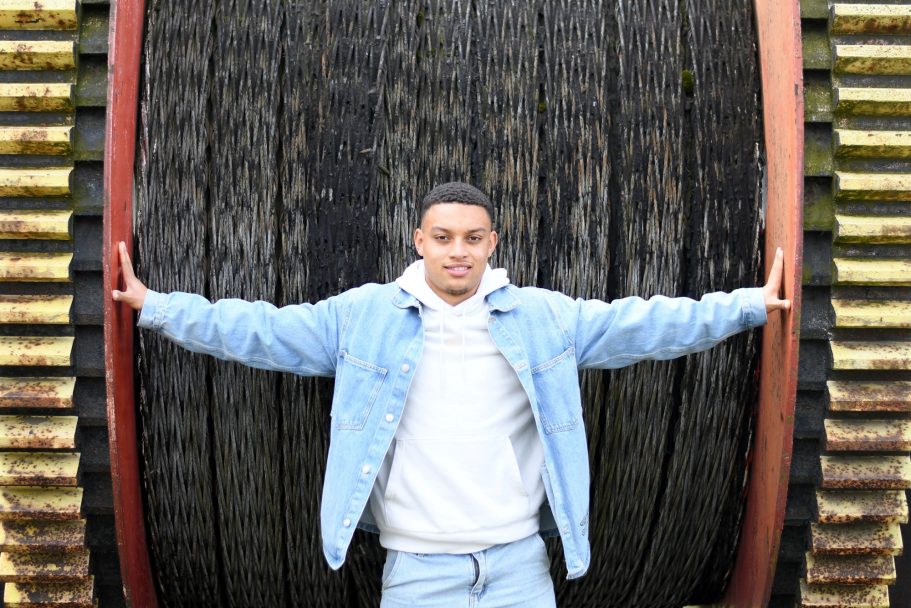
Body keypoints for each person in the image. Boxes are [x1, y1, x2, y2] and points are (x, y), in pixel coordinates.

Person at [113, 181, 790, 607]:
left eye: (471, 238)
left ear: (492, 242)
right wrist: (157, 307)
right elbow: (260, 330)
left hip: (519, 566)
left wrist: (747, 306)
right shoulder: (362, 317)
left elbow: (646, 324)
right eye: (442, 238)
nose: (457, 251)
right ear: (419, 241)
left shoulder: (543, 318)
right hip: (416, 570)